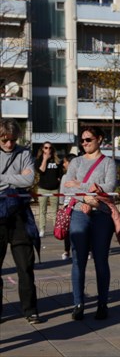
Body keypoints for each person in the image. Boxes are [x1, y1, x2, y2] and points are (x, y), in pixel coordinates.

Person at [62, 126, 119, 321]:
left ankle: (102, 304)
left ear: (99, 139)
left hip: (101, 215)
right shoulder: (76, 162)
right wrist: (87, 196)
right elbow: (65, 187)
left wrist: (79, 186)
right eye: (83, 140)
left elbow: (109, 188)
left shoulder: (108, 163)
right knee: (78, 260)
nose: (85, 143)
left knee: (101, 260)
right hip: (79, 213)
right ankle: (78, 304)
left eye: (89, 139)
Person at [0, 118, 42, 324]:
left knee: (25, 266)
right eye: (5, 140)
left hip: (20, 216)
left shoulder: (24, 153)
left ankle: (30, 309)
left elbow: (28, 180)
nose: (9, 144)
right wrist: (16, 176)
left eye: (13, 140)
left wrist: (3, 178)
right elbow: (22, 179)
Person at [35, 142, 62, 237]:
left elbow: (60, 174)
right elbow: (41, 170)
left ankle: (56, 230)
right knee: (42, 211)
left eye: (50, 148)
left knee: (55, 211)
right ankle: (42, 229)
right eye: (46, 147)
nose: (48, 149)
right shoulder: (39, 160)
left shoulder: (57, 160)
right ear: (42, 148)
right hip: (43, 189)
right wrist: (45, 159)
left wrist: (57, 181)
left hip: (54, 189)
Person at [58, 153, 76, 260]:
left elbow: (62, 192)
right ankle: (67, 250)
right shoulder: (66, 176)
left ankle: (67, 251)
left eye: (65, 162)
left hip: (74, 205)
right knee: (69, 229)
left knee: (69, 229)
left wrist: (62, 203)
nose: (63, 165)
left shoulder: (66, 177)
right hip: (69, 205)